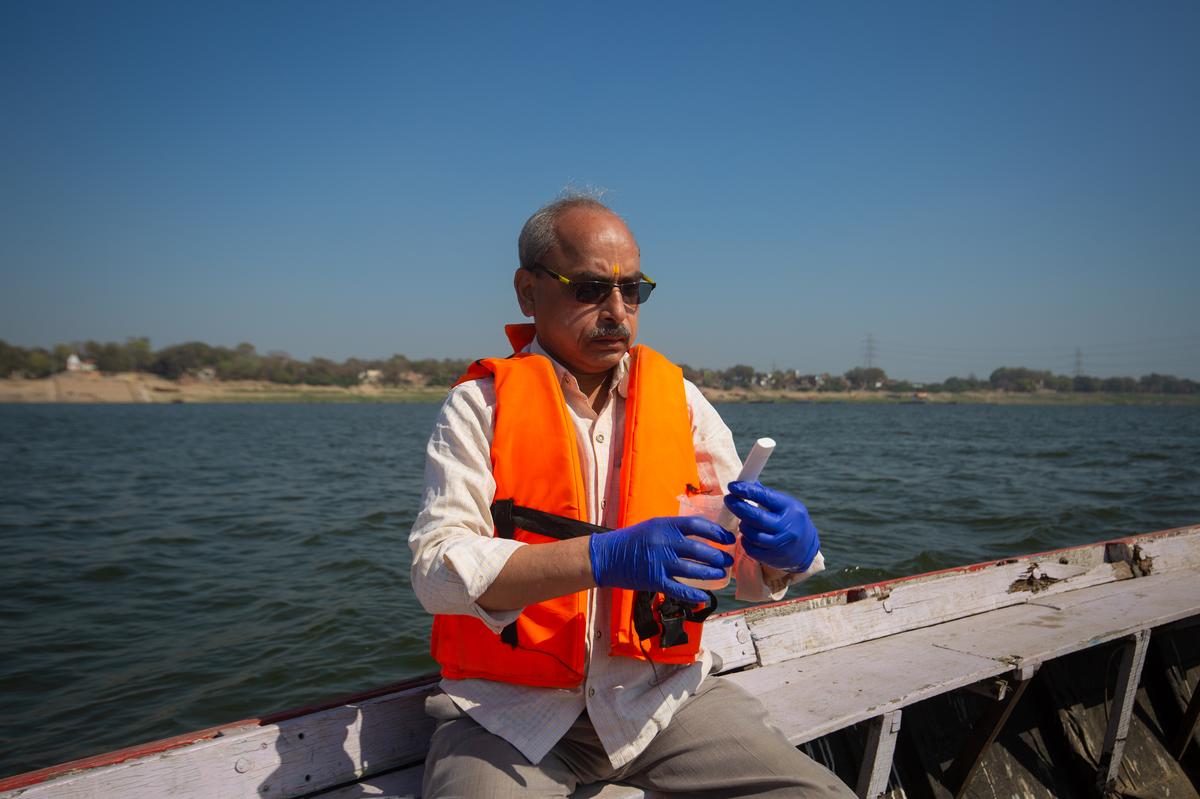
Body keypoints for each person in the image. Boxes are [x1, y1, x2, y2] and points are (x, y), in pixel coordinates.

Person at [409, 196, 855, 798]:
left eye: (632, 291)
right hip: (506, 715)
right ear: (527, 291)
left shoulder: (683, 402)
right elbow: (436, 573)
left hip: (662, 702)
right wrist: (603, 558)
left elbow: (736, 572)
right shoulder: (479, 406)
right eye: (590, 288)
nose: (617, 312)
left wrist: (783, 556)